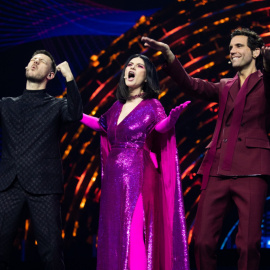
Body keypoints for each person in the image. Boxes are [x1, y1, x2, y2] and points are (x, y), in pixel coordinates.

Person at [142, 28, 270, 270]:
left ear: (255, 52)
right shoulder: (224, 86)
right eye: (230, 47)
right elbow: (191, 85)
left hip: (253, 168)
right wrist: (169, 55)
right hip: (218, 168)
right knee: (201, 242)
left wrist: (266, 56)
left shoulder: (266, 83)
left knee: (247, 244)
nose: (232, 51)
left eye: (239, 46)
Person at [81, 54, 190, 270]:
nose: (131, 68)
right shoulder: (116, 106)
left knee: (134, 231)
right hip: (113, 179)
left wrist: (171, 120)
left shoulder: (152, 105)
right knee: (116, 232)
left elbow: (159, 128)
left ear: (147, 77)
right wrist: (77, 115)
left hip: (138, 174)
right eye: (129, 64)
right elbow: (101, 124)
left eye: (139, 66)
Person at [0, 50, 83, 270]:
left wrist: (70, 78)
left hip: (44, 186)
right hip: (8, 185)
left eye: (42, 61)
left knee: (52, 254)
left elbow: (75, 114)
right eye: (32, 59)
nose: (35, 61)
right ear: (26, 68)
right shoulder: (6, 104)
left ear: (51, 74)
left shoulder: (56, 106)